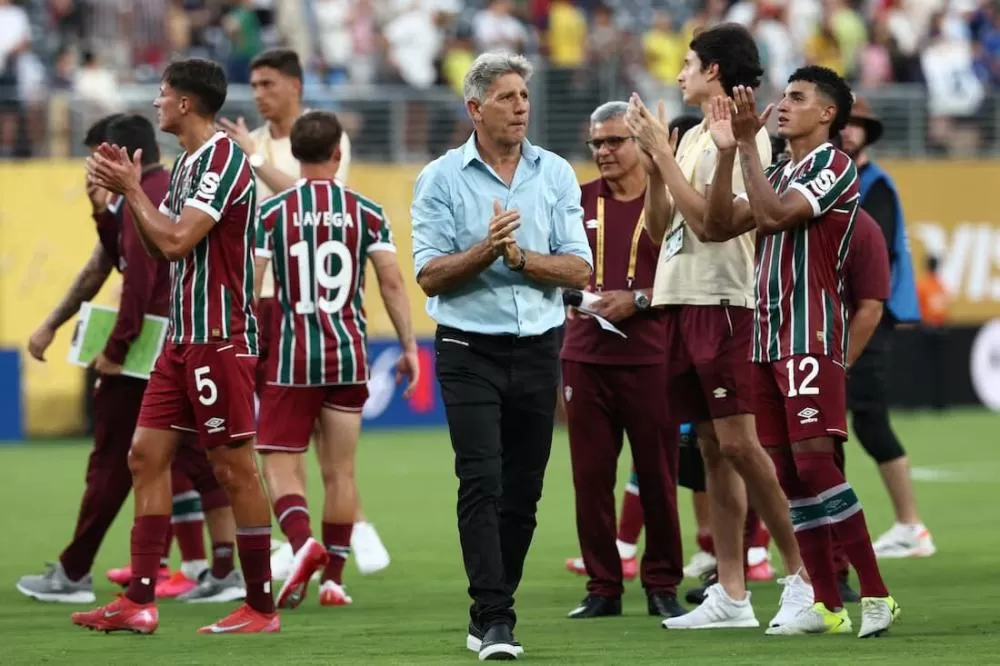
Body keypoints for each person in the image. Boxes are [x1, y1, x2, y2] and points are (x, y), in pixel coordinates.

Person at [77, 58, 277, 635]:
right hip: (181, 340)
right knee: (144, 455)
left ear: (186, 103)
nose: (156, 102)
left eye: (162, 93)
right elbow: (154, 241)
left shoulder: (222, 159)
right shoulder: (188, 163)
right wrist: (125, 200)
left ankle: (260, 607)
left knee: (234, 467)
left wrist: (132, 191)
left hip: (219, 339)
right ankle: (139, 600)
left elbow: (176, 240)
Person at [625, 23, 811, 631]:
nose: (678, 73)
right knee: (711, 449)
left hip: (725, 303)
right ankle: (731, 592)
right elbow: (661, 230)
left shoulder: (748, 137)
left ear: (712, 71)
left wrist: (664, 155)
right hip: (681, 298)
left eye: (687, 63)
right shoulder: (695, 136)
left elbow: (712, 225)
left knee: (739, 445)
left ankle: (804, 573)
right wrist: (656, 164)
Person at [703, 65, 899, 638]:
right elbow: (717, 226)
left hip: (809, 335)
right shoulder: (776, 169)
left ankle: (877, 595)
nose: (783, 104)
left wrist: (746, 145)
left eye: (798, 97)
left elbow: (772, 215)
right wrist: (727, 153)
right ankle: (825, 603)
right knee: (790, 474)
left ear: (828, 113)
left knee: (815, 464)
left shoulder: (832, 165)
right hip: (766, 338)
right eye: (784, 95)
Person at [411, 51, 593, 660]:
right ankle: (495, 618)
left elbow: (579, 267)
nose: (521, 107)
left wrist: (522, 260)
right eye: (507, 97)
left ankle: (490, 607)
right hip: (468, 348)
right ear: (475, 108)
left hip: (540, 347)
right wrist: (486, 250)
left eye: (524, 96)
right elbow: (429, 275)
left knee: (524, 492)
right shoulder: (440, 178)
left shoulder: (556, 172)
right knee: (481, 480)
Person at [17, 114, 240, 605]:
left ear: (114, 155)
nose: (88, 168)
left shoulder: (145, 197)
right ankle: (222, 570)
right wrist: (101, 215)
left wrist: (115, 351)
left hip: (147, 353)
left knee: (117, 461)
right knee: (199, 459)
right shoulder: (161, 190)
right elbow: (119, 260)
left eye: (94, 157)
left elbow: (137, 282)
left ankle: (80, 572)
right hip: (186, 341)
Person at [219, 48, 390, 578]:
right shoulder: (252, 142)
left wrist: (254, 160)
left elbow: (315, 199)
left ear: (294, 85)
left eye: (268, 84)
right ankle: (310, 542)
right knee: (280, 437)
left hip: (308, 304)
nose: (259, 94)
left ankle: (350, 526)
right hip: (264, 301)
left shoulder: (323, 139)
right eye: (254, 85)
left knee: (318, 437)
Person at [253, 111, 419, 610]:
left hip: (293, 358)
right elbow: (392, 282)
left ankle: (302, 543)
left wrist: (245, 346)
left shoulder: (273, 212)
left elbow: (249, 286)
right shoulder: (367, 211)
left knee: (277, 462)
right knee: (341, 471)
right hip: (348, 355)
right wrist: (409, 346)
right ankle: (334, 582)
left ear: (294, 154)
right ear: (338, 153)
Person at [559, 100, 686, 621]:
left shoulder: (671, 198)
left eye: (614, 141)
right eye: (596, 143)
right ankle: (603, 587)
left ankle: (662, 583)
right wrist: (566, 294)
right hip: (584, 356)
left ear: (640, 142)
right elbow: (552, 265)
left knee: (657, 476)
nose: (603, 151)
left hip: (652, 356)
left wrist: (638, 299)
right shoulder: (575, 199)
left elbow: (689, 277)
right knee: (590, 479)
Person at [839, 97, 935, 559]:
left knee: (869, 419)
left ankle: (911, 525)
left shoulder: (875, 184)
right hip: (847, 314)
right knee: (857, 421)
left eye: (856, 125)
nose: (848, 131)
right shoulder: (855, 180)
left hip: (868, 315)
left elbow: (867, 249)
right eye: (844, 123)